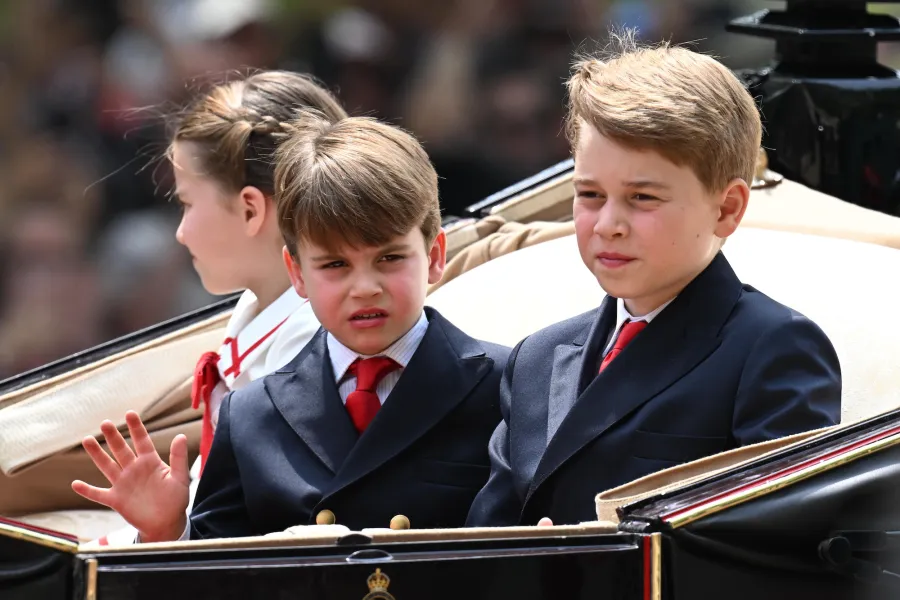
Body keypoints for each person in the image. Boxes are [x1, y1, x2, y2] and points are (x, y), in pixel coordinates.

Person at [74, 111, 509, 542]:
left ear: (434, 256)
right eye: (335, 265)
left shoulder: (504, 382)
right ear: (297, 273)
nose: (364, 288)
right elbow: (215, 568)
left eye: (390, 258)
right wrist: (167, 529)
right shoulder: (251, 413)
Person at [466, 35, 842, 528]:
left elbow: (778, 548)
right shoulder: (536, 357)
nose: (608, 224)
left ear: (726, 208)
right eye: (589, 194)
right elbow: (481, 541)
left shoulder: (771, 349)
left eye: (643, 197)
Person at [74, 71, 348, 545]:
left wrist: (170, 532)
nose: (180, 232)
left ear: (249, 210)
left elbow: (262, 536)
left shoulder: (313, 352)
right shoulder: (263, 317)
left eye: (185, 203)